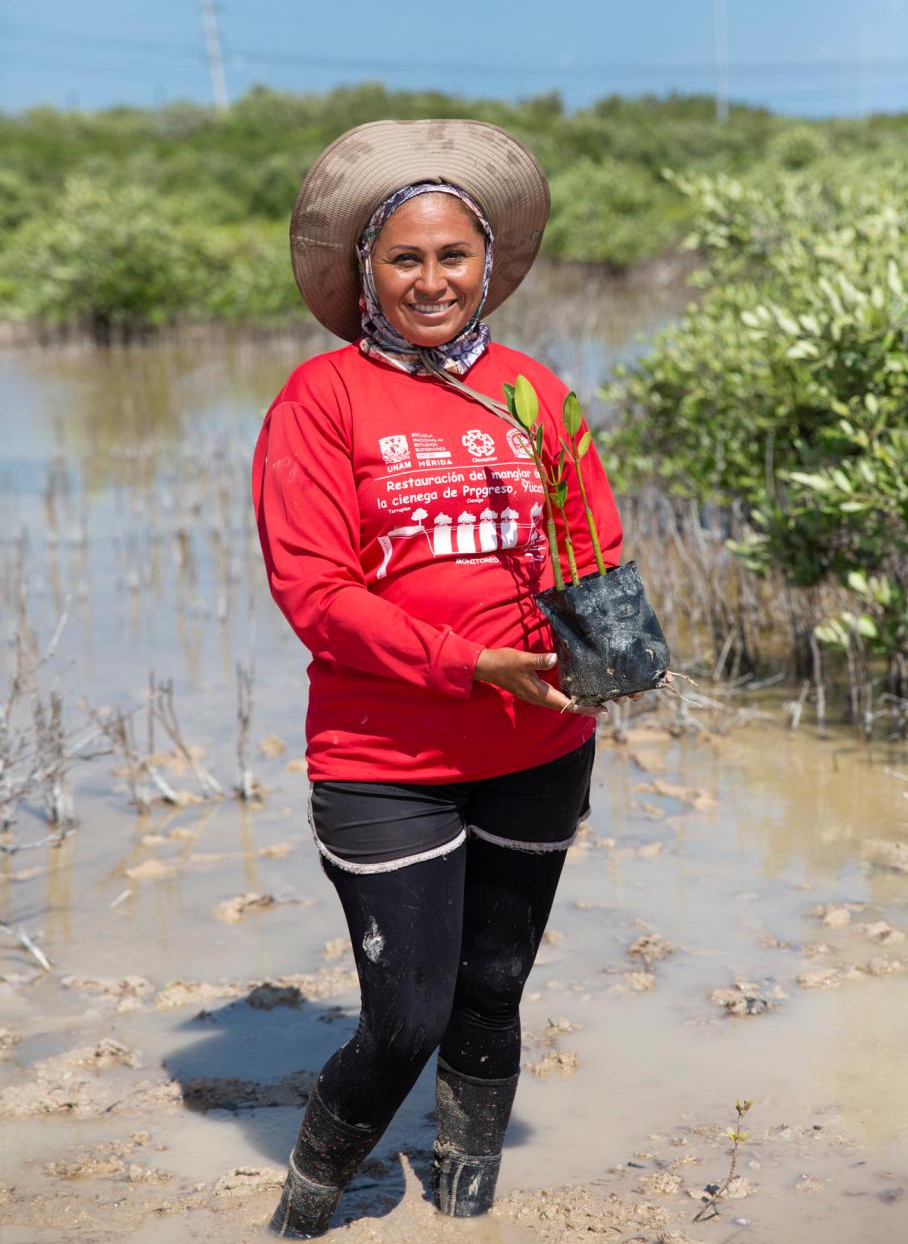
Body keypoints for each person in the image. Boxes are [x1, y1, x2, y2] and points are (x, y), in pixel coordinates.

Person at [252, 119, 636, 1239]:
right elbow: (316, 591)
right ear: (366, 270)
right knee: (407, 1014)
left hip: (538, 747)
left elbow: (592, 545)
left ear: (486, 265)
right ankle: (304, 1208)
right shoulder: (323, 399)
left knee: (494, 989)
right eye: (405, 258)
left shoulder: (535, 393)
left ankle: (467, 1209)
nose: (432, 279)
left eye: (452, 255)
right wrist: (472, 663)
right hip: (388, 757)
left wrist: (612, 657)